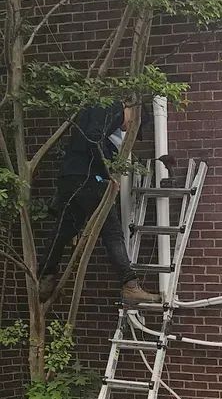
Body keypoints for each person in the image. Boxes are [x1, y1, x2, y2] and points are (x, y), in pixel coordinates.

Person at [38, 101, 160, 305]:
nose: (126, 129)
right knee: (112, 232)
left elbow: (91, 139)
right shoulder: (111, 110)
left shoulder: (94, 111)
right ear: (131, 113)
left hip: (69, 178)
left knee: (63, 230)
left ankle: (45, 277)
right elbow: (94, 138)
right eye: (131, 126)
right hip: (88, 181)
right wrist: (108, 174)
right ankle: (130, 286)